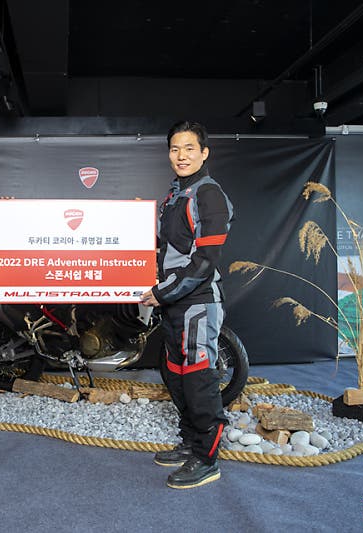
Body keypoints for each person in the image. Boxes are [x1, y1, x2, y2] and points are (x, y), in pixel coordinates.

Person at [141, 120, 233, 490]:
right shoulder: (175, 196)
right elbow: (163, 249)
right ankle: (191, 442)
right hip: (173, 304)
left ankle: (207, 459)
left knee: (197, 377)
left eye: (189, 148)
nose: (181, 155)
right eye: (175, 148)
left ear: (204, 153)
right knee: (175, 374)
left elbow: (205, 261)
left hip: (197, 302)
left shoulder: (208, 194)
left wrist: (162, 293)